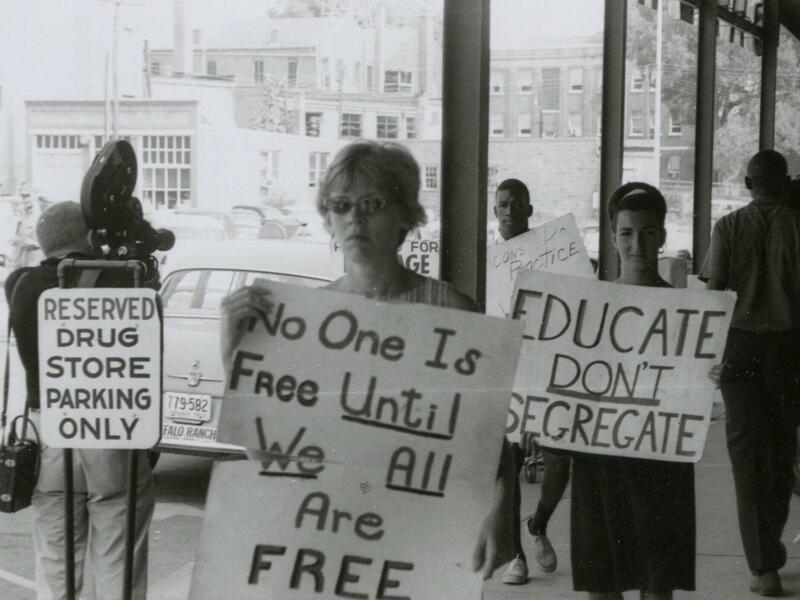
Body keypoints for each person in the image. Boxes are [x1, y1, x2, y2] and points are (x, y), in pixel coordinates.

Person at [221, 140, 516, 581]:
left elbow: (487, 440)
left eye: (372, 203)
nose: (355, 218)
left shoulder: (453, 311)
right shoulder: (302, 321)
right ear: (328, 219)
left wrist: (502, 509)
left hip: (424, 531)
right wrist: (234, 355)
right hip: (332, 534)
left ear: (405, 216)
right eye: (340, 205)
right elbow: (268, 455)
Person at [5, 201, 156, 600]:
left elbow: (40, 271)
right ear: (93, 237)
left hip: (48, 434)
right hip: (109, 431)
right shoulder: (123, 280)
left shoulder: (19, 284)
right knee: (117, 559)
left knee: (55, 562)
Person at [570, 183, 695, 600]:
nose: (636, 243)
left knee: (657, 579)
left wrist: (709, 373)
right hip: (599, 459)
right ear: (612, 238)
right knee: (602, 579)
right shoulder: (589, 306)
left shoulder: (687, 312)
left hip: (659, 461)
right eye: (626, 233)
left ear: (661, 236)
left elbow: (691, 385)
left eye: (646, 232)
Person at [700, 149, 800, 597]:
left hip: (738, 350)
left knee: (745, 459)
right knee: (781, 453)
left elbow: (714, 295)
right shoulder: (798, 225)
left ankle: (761, 566)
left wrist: (709, 357)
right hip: (789, 351)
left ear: (745, 184)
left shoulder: (727, 226)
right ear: (784, 182)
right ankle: (769, 542)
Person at [493, 178, 570, 584]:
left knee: (560, 460)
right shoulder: (487, 262)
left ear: (529, 210)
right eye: (502, 204)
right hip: (507, 375)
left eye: (516, 204)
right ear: (494, 212)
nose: (509, 211)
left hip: (548, 372)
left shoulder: (554, 257)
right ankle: (517, 557)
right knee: (509, 469)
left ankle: (537, 524)